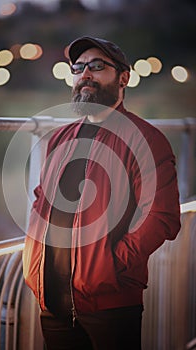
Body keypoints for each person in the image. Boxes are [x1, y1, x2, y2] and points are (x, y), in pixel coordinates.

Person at [23, 36, 181, 350]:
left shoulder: (147, 139)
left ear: (124, 78)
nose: (85, 75)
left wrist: (110, 266)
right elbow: (41, 203)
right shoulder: (58, 139)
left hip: (109, 303)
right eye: (78, 68)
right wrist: (34, 266)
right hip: (52, 298)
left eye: (97, 66)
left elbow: (161, 217)